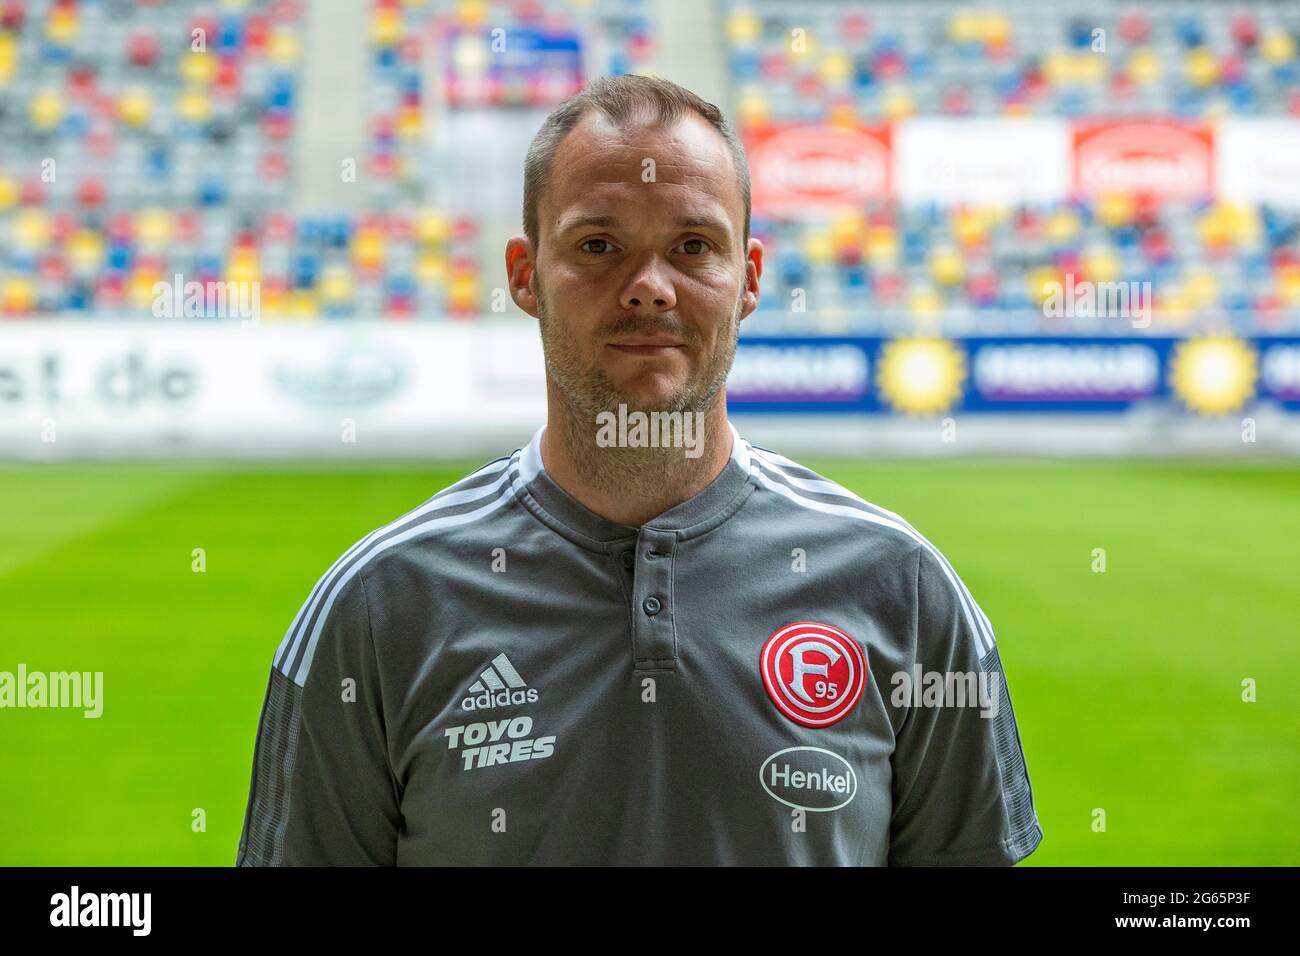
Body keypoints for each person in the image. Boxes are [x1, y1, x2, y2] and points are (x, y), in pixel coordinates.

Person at [236, 74, 1043, 866]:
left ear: (750, 278)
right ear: (524, 275)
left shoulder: (902, 589)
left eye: (693, 246)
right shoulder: (379, 605)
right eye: (599, 246)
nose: (649, 289)